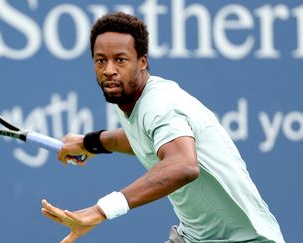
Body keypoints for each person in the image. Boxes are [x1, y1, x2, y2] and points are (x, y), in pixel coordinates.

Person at [40, 12, 285, 243]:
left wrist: (100, 210)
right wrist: (91, 142)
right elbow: (144, 138)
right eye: (101, 60)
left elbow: (184, 165)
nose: (109, 70)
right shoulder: (128, 96)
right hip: (194, 236)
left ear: (142, 62)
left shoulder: (159, 104)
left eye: (121, 60)